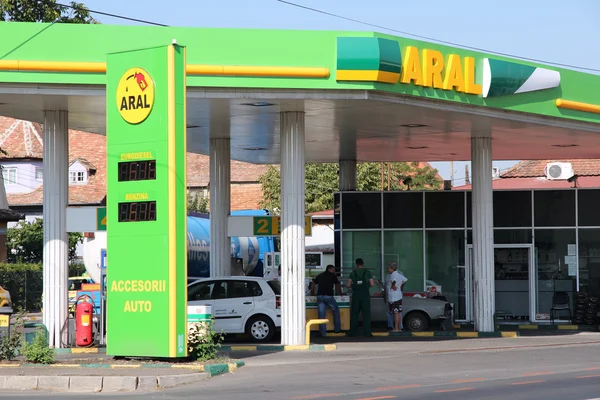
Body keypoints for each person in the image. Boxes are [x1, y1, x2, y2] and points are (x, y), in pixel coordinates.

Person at [311, 264, 343, 337]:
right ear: (330, 269)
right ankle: (337, 329)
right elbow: (337, 285)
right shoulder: (332, 276)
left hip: (319, 297)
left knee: (321, 314)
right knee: (336, 310)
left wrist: (312, 293)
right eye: (333, 269)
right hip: (328, 296)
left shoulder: (320, 275)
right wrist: (340, 293)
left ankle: (323, 333)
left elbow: (313, 283)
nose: (334, 271)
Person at [348, 258, 374, 337]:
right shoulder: (368, 272)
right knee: (366, 315)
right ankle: (367, 333)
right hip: (365, 296)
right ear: (363, 264)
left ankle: (353, 332)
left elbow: (348, 285)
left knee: (354, 314)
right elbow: (372, 284)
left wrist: (353, 285)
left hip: (356, 296)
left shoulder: (353, 273)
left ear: (356, 264)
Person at [386, 261, 408, 332]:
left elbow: (394, 281)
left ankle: (395, 328)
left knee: (395, 313)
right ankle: (398, 328)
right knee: (398, 312)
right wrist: (400, 286)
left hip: (394, 297)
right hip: (398, 295)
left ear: (392, 268)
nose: (388, 270)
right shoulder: (398, 274)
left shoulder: (393, 275)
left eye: (389, 268)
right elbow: (405, 280)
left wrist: (393, 286)